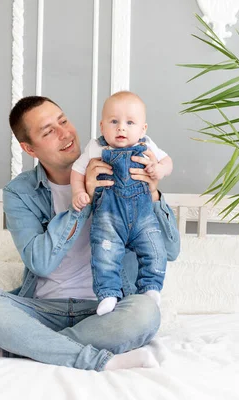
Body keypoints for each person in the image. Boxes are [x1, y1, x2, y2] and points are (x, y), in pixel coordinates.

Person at [0, 96, 180, 372]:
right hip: (42, 311)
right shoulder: (19, 192)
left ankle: (16, 348)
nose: (65, 133)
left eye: (63, 121)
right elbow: (40, 263)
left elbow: (169, 251)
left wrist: (153, 194)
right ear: (29, 148)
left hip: (107, 310)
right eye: (49, 131)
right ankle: (94, 359)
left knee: (146, 313)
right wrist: (83, 198)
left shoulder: (129, 171)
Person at [71, 91, 173, 316]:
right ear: (102, 126)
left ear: (143, 129)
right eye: (114, 121)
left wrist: (160, 170)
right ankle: (108, 293)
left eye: (130, 122)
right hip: (109, 217)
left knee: (155, 249)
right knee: (104, 253)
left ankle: (151, 288)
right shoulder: (96, 148)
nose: (121, 128)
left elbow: (168, 161)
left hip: (143, 216)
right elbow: (77, 170)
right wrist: (79, 191)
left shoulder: (147, 146)